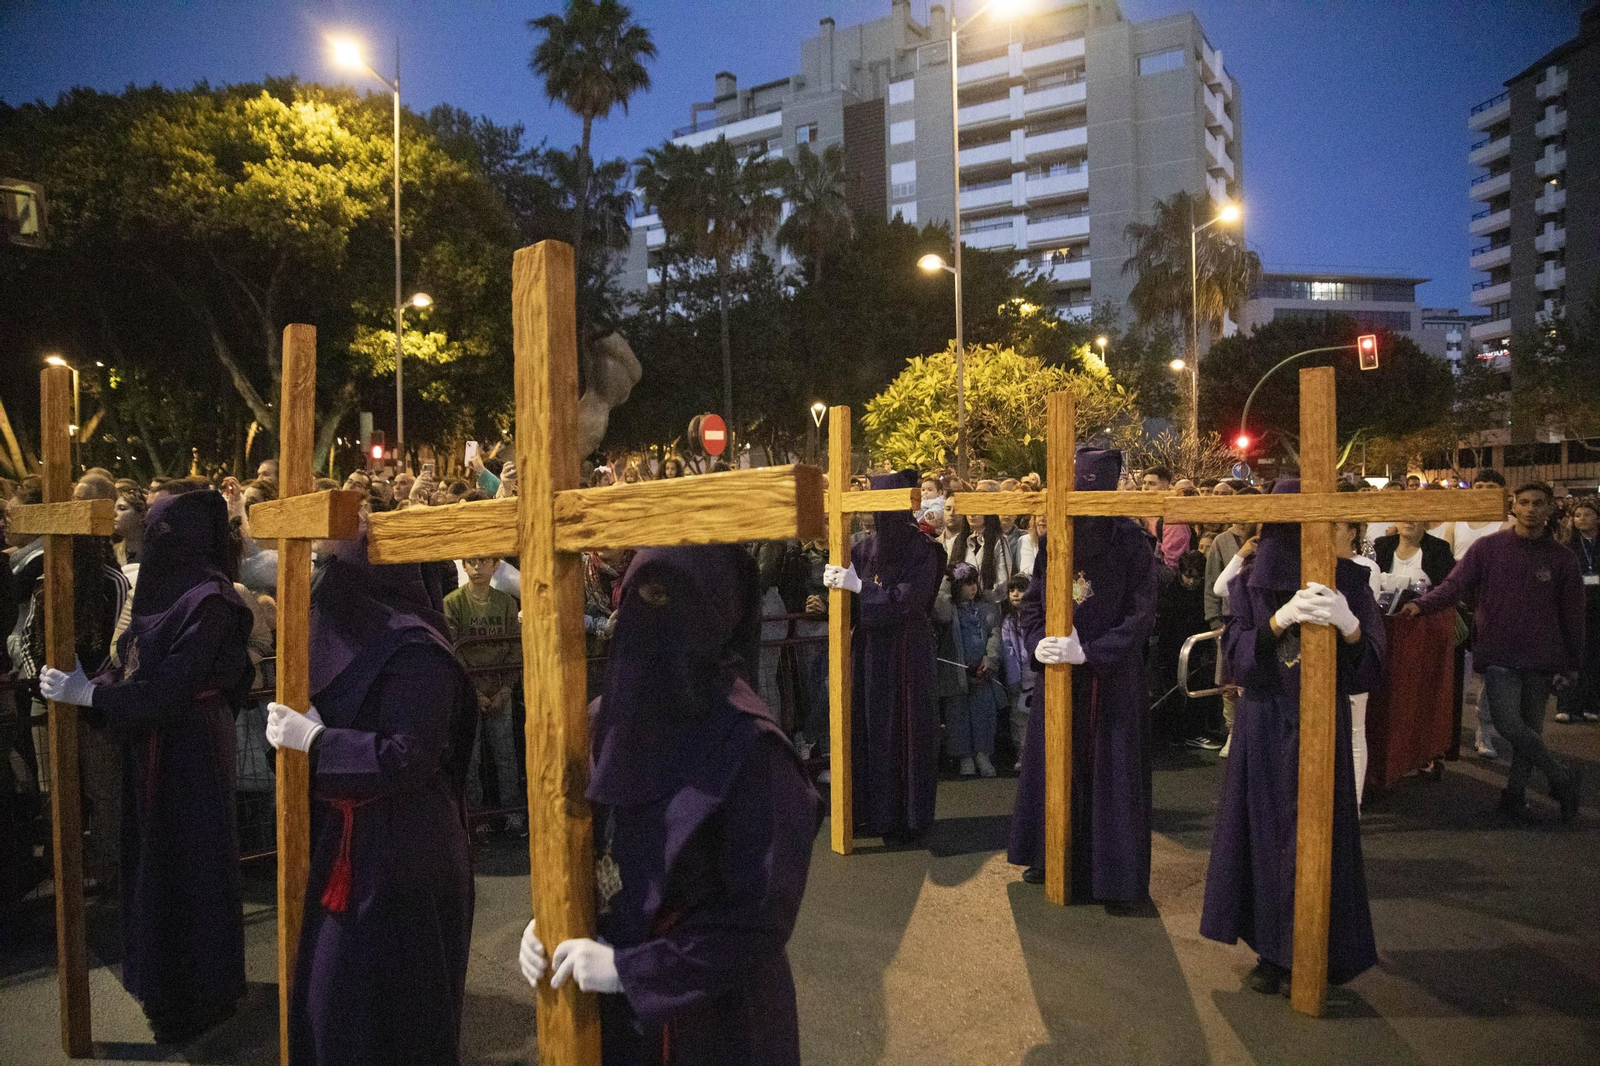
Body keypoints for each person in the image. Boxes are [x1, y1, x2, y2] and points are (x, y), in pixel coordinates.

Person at [517, 546, 820, 1065]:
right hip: (609, 1005)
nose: (644, 611)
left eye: (663, 596)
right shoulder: (601, 719)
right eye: (636, 593)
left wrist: (634, 971)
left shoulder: (752, 748)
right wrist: (551, 913)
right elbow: (591, 843)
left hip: (713, 1017)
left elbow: (760, 918)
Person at [39, 485, 255, 1043]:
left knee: (193, 865)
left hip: (191, 752)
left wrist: (95, 698)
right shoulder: (163, 589)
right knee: (155, 866)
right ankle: (165, 984)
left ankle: (202, 991)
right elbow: (132, 656)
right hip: (154, 743)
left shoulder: (212, 599)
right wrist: (92, 685)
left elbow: (178, 681)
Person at [266, 531, 477, 1066]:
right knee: (331, 1001)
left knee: (397, 1006)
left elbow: (409, 755)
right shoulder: (327, 633)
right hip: (343, 839)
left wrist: (317, 742)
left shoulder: (419, 652)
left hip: (406, 850)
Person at [1200, 479, 1386, 995]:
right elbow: (1235, 653)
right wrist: (1277, 622)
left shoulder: (1348, 580)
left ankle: (1317, 949)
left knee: (1319, 837)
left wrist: (1349, 624)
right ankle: (1271, 950)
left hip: (1321, 722)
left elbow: (1372, 664)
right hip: (1264, 721)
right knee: (1263, 835)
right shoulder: (1250, 584)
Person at [1009, 449, 1158, 910]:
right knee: (1054, 763)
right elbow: (1034, 601)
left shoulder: (1133, 544)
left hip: (1112, 680)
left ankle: (1111, 873)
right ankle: (1051, 853)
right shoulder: (1057, 538)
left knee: (1110, 769)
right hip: (1059, 675)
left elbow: (1142, 614)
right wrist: (1038, 641)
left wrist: (1091, 653)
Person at [1401, 483, 1584, 823]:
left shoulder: (1562, 559)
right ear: (1513, 507)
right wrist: (1422, 605)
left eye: (1538, 503)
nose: (1530, 509)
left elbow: (1573, 614)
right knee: (1508, 724)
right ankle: (1561, 775)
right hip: (1500, 652)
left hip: (1543, 656)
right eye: (1524, 502)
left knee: (1530, 730)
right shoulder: (1488, 548)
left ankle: (1514, 796)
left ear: (1549, 509)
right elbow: (1454, 585)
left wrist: (1574, 662)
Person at [825, 469, 945, 844]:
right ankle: (867, 811)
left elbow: (909, 600)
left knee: (904, 729)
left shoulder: (924, 550)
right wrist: (830, 593)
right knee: (866, 727)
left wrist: (859, 587)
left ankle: (905, 817)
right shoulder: (861, 549)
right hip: (869, 652)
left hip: (907, 651)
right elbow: (848, 604)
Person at [445, 556, 525, 834]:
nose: (477, 568)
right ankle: (476, 815)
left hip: (499, 687)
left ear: (495, 566)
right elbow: (454, 651)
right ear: (464, 567)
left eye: (484, 562)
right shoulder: (453, 603)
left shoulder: (505, 602)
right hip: (470, 691)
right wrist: (473, 691)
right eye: (471, 562)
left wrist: (506, 688)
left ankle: (513, 813)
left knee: (506, 755)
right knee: (472, 756)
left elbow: (516, 647)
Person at [935, 562, 1003, 777]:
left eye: (974, 583)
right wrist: (944, 587)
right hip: (957, 672)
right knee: (958, 716)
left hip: (983, 669)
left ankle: (983, 755)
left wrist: (990, 659)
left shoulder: (986, 607)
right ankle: (964, 757)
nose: (972, 588)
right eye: (966, 584)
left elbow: (995, 633)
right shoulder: (949, 608)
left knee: (984, 713)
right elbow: (940, 613)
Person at [1555, 498, 1600, 723]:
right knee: (1571, 653)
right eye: (1578, 515)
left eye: (1587, 514)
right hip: (1575, 604)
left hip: (1598, 605)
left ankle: (1592, 704)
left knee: (1595, 656)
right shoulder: (1567, 545)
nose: (1582, 519)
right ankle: (1566, 705)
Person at [1000, 573, 1033, 770]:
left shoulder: (1039, 617)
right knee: (1019, 719)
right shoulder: (1008, 622)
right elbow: (1008, 651)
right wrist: (1013, 679)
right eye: (1012, 590)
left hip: (1036, 675)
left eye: (1020, 589)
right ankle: (1023, 754)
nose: (1015, 594)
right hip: (1019, 678)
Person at [1373, 521, 1454, 593]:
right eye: (1404, 515)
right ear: (1396, 522)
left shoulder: (1439, 548)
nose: (1408, 520)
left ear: (1424, 522)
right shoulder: (1381, 545)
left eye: (1414, 516)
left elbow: (1447, 589)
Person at [1141, 465, 1191, 568]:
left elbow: (1173, 563)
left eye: (1152, 484)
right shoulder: (1141, 514)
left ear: (1165, 488)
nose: (1145, 487)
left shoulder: (1173, 520)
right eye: (1144, 483)